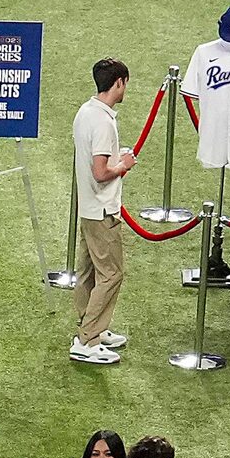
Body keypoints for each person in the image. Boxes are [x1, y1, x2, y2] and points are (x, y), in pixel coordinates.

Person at [69, 58, 138, 364]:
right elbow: (100, 171)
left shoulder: (85, 112)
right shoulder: (103, 122)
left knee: (88, 272)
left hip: (88, 207)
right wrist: (123, 165)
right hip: (102, 210)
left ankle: (91, 324)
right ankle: (87, 340)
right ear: (119, 82)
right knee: (111, 274)